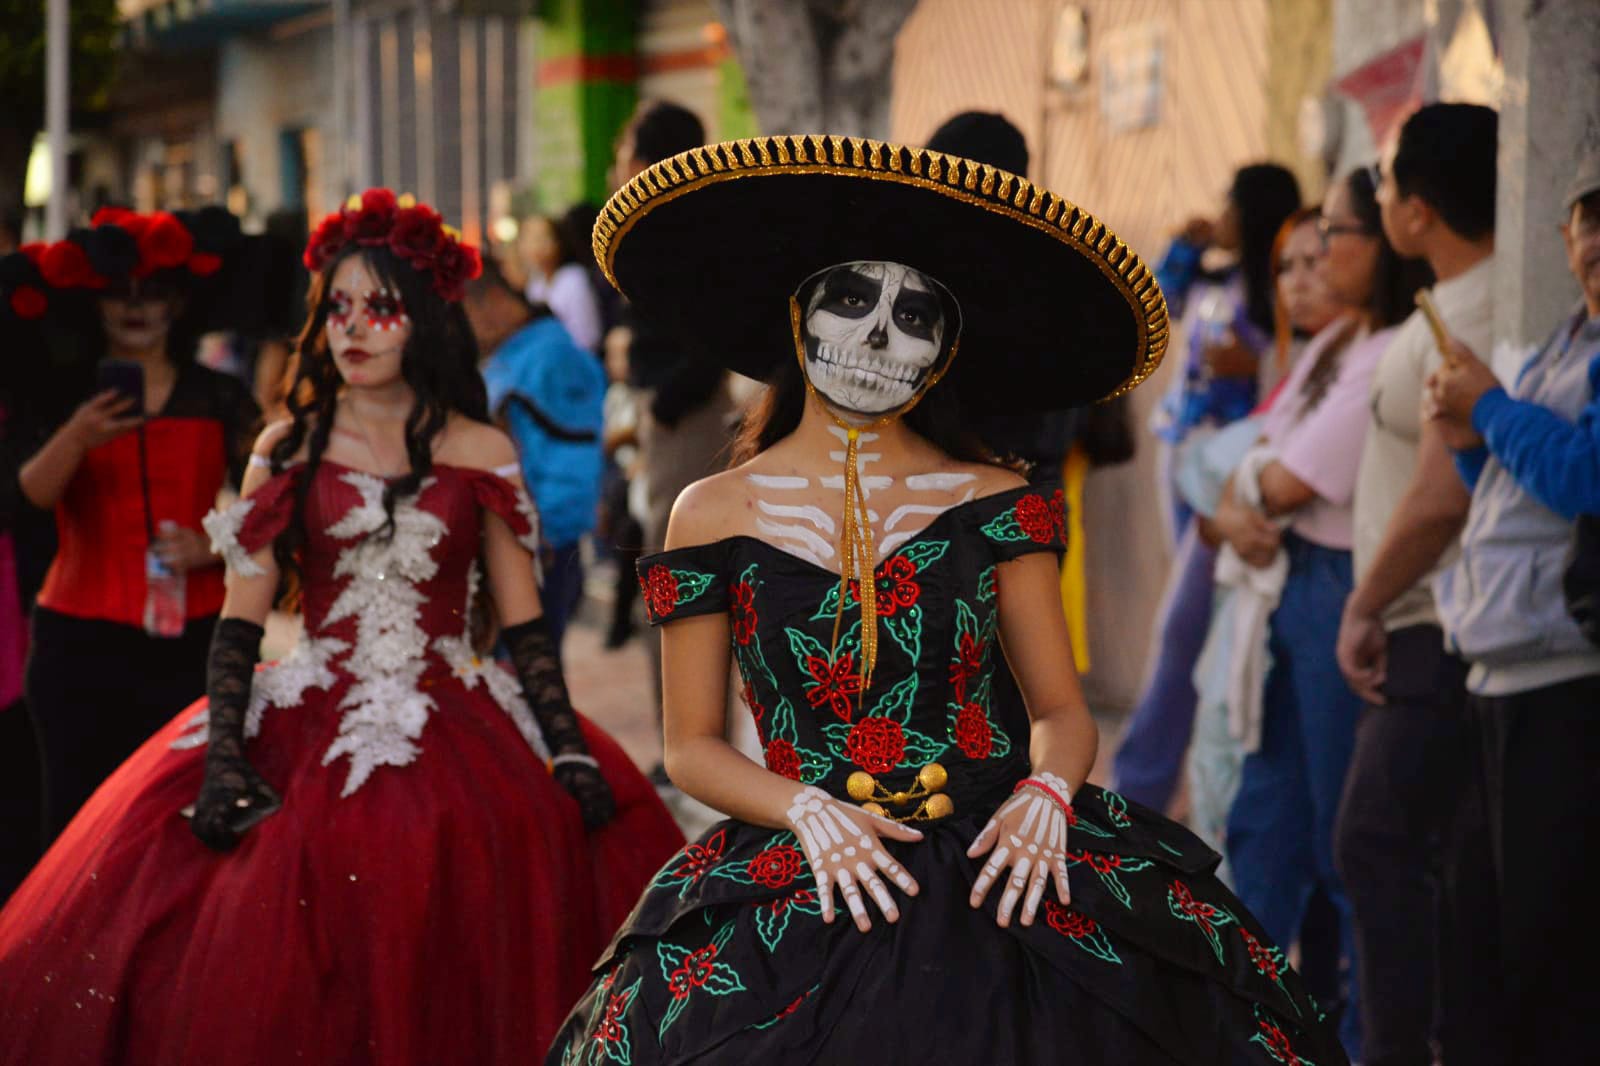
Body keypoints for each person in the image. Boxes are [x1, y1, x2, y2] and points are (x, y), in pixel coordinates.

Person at [547, 135, 1348, 1064]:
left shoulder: (997, 500)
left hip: (999, 863)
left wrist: (1050, 789)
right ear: (799, 316)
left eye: (917, 314)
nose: (881, 336)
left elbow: (1058, 709)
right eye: (852, 300)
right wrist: (806, 811)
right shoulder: (708, 512)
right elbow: (689, 745)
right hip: (803, 866)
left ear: (947, 348)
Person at [0, 190, 684, 1063]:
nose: (354, 328)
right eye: (338, 308)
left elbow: (524, 627)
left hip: (460, 714)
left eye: (380, 307)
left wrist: (570, 746)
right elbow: (241, 627)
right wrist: (222, 757)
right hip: (309, 709)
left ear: (424, 321)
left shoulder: (483, 448)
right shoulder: (284, 447)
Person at [1213, 166, 1432, 1059]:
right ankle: (1250, 1034)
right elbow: (1240, 468)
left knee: (1345, 842)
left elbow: (1281, 477)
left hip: (1341, 584)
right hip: (1296, 583)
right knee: (1264, 821)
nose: (1317, 257)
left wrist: (1242, 486)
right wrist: (1239, 491)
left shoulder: (1389, 351)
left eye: (1339, 234)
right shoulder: (1333, 348)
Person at [1422, 149, 1600, 1064]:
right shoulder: (1568, 336)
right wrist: (1468, 435)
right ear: (1564, 236)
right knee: (1480, 935)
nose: (1597, 238)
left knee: (1550, 957)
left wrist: (1489, 407)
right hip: (1497, 674)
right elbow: (1513, 495)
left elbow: (1585, 476)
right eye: (1588, 218)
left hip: (1566, 681)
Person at [1330, 102, 1499, 1066]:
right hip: (1418, 623)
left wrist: (1364, 602)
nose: (1382, 198)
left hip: (1433, 622)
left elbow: (1442, 499)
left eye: (1388, 183)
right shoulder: (1451, 302)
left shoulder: (1475, 316)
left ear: (1421, 210)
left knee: (1376, 842)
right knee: (1421, 854)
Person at [14, 208, 261, 845]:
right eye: (119, 294)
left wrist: (213, 545)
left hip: (195, 639)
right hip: (79, 643)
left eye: (153, 293)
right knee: (77, 826)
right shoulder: (63, 393)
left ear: (179, 303)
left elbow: (277, 503)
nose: (136, 308)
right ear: (94, 304)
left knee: (179, 819)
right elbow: (30, 498)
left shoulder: (220, 396)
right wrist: (77, 435)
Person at [1112, 164, 1301, 812]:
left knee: (1189, 624)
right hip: (1183, 454)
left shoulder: (1281, 288)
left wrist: (1260, 363)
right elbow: (1149, 308)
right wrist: (1181, 250)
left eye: (1229, 203)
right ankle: (1171, 780)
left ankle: (1144, 788)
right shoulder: (1210, 277)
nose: (1219, 212)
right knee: (1191, 615)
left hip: (1236, 469)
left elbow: (1294, 371)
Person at [464, 255, 607, 649]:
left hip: (541, 544)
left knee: (531, 663)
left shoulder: (550, 355)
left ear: (491, 301)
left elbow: (575, 458)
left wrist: (537, 529)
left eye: (465, 315)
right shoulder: (523, 350)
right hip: (524, 540)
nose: (465, 332)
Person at [521, 211, 604, 354]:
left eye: (541, 238)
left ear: (558, 242)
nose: (535, 245)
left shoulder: (573, 279)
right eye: (528, 238)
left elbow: (588, 337)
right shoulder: (536, 283)